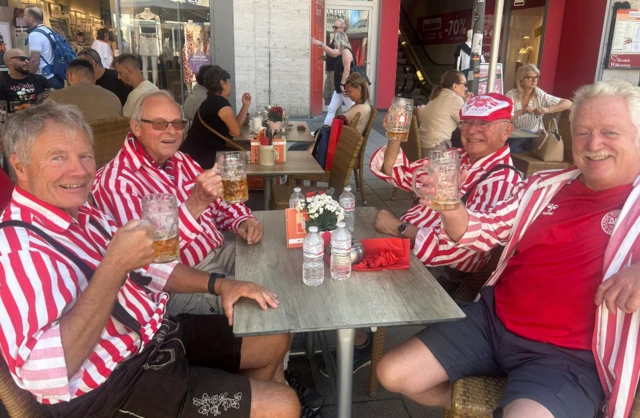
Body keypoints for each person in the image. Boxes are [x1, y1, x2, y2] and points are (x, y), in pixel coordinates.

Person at [0, 100, 300, 418]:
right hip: (116, 386)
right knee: (283, 405)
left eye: (85, 155)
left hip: (158, 337)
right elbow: (42, 375)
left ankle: (242, 398)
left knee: (273, 336)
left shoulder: (85, 213)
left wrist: (219, 285)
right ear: (19, 165)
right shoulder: (18, 250)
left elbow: (150, 266)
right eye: (58, 157)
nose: (80, 170)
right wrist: (113, 267)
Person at [376, 80, 640, 418]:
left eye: (610, 132)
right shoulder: (544, 186)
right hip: (491, 321)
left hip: (564, 356)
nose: (594, 143)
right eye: (583, 132)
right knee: (394, 374)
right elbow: (481, 230)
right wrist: (450, 205)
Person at [319, 94, 523, 377]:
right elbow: (397, 173)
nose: (472, 130)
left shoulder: (504, 181)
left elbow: (460, 251)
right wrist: (394, 134)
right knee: (330, 240)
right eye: (466, 123)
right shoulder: (454, 158)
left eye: (483, 124)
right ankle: (346, 330)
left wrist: (398, 229)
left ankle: (361, 341)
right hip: (407, 243)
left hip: (438, 271)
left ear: (506, 130)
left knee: (339, 264)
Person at [92, 89, 263, 316]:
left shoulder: (181, 160)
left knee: (275, 273)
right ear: (136, 127)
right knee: (260, 307)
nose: (171, 131)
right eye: (160, 124)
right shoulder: (117, 184)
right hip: (180, 282)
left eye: (177, 123)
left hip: (219, 250)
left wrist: (242, 220)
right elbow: (148, 260)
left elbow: (221, 202)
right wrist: (194, 204)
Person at [181, 66, 251, 169]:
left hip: (195, 154)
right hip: (202, 156)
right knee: (247, 158)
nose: (230, 86)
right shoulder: (220, 103)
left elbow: (235, 127)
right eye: (228, 83)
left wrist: (245, 105)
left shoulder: (211, 101)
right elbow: (235, 132)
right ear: (222, 83)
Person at [506, 63, 572, 153]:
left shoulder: (539, 94)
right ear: (521, 80)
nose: (534, 80)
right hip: (513, 135)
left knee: (511, 147)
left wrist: (547, 110)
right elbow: (506, 118)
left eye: (536, 77)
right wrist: (522, 111)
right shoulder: (511, 94)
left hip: (532, 136)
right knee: (513, 146)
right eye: (530, 77)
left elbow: (568, 103)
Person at [47, 59, 122, 121]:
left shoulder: (56, 97)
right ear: (94, 78)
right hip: (111, 138)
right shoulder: (113, 97)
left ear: (70, 76)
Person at [418, 70, 471, 154]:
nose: (466, 88)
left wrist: (465, 103)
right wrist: (469, 104)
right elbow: (468, 124)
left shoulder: (437, 97)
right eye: (464, 84)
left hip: (423, 147)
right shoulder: (455, 99)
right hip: (436, 148)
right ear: (455, 86)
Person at [23, 5, 64, 89]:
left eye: (24, 15)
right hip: (56, 75)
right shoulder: (49, 31)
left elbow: (35, 61)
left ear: (30, 19)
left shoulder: (35, 34)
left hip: (45, 79)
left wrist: (30, 78)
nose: (23, 18)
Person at [319, 31, 354, 126]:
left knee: (352, 107)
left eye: (335, 40)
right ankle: (325, 129)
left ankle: (356, 128)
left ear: (339, 41)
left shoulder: (346, 52)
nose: (334, 43)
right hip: (339, 88)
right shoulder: (343, 52)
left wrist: (342, 85)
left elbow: (347, 70)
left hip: (344, 87)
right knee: (331, 109)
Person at [0, 48, 49, 113]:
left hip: (39, 119)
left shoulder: (40, 79)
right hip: (16, 121)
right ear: (9, 61)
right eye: (22, 58)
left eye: (27, 59)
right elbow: (2, 110)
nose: (27, 61)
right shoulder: (2, 85)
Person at [311, 19, 346, 108]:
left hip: (336, 72)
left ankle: (337, 118)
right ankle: (333, 116)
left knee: (335, 97)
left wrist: (320, 44)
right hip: (331, 71)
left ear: (342, 28)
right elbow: (334, 55)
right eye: (333, 27)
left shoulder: (341, 39)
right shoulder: (335, 39)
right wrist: (327, 58)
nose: (334, 29)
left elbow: (335, 53)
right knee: (327, 95)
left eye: (336, 27)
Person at [114, 53, 158, 117]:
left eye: (120, 73)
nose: (118, 77)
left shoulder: (135, 94)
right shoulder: (154, 88)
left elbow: (125, 123)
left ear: (129, 71)